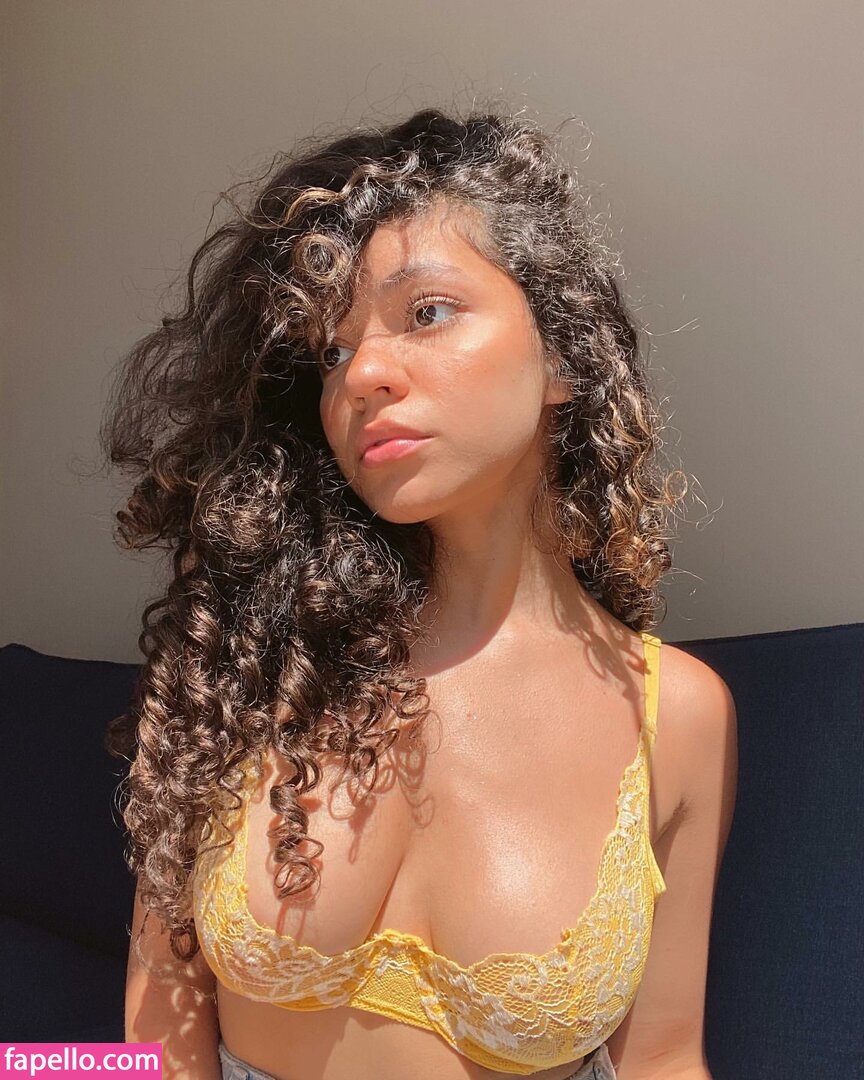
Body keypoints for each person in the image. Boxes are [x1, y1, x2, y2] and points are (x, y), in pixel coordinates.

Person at [104, 104, 738, 1080]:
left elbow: (662, 1059)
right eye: (329, 351)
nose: (362, 373)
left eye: (425, 313)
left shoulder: (677, 717)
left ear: (564, 355)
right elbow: (153, 1027)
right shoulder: (245, 650)